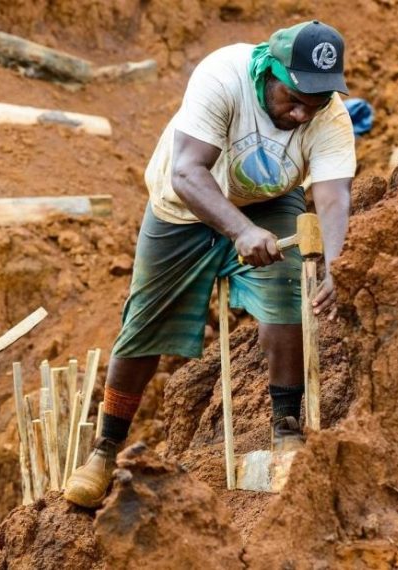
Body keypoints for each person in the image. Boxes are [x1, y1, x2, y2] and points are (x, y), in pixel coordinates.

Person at [65, 20, 355, 508]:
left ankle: (286, 431)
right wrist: (239, 230)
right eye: (294, 96)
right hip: (185, 205)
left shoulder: (329, 116)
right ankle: (104, 449)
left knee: (287, 295)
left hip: (267, 201)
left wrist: (337, 263)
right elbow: (186, 170)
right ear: (270, 71)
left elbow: (332, 195)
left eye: (318, 99)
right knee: (143, 325)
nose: (304, 111)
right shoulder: (223, 76)